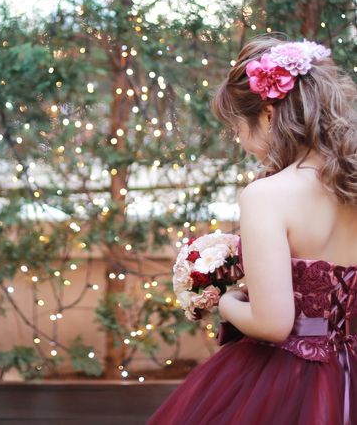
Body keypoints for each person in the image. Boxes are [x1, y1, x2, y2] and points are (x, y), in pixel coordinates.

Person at [146, 33, 357, 425]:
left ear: (269, 114)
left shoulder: (266, 196)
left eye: (237, 126)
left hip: (290, 381)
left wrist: (226, 301)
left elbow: (273, 324)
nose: (239, 138)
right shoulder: (351, 186)